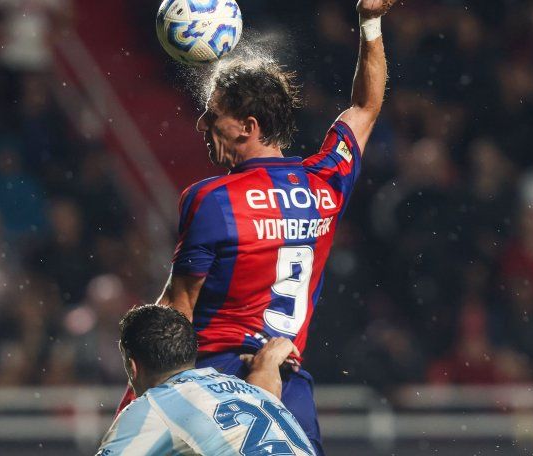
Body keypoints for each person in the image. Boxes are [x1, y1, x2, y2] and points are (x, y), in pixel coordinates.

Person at [117, 1, 397, 453]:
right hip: (288, 388)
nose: (202, 123)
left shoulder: (213, 199)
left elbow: (177, 309)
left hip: (213, 386)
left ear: (248, 127)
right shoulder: (326, 181)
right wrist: (370, 23)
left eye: (213, 115)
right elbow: (366, 105)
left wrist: (135, 401)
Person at [97, 304, 315, 455]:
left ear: (133, 367)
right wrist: (268, 360)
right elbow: (267, 391)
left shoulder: (152, 406)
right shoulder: (247, 391)